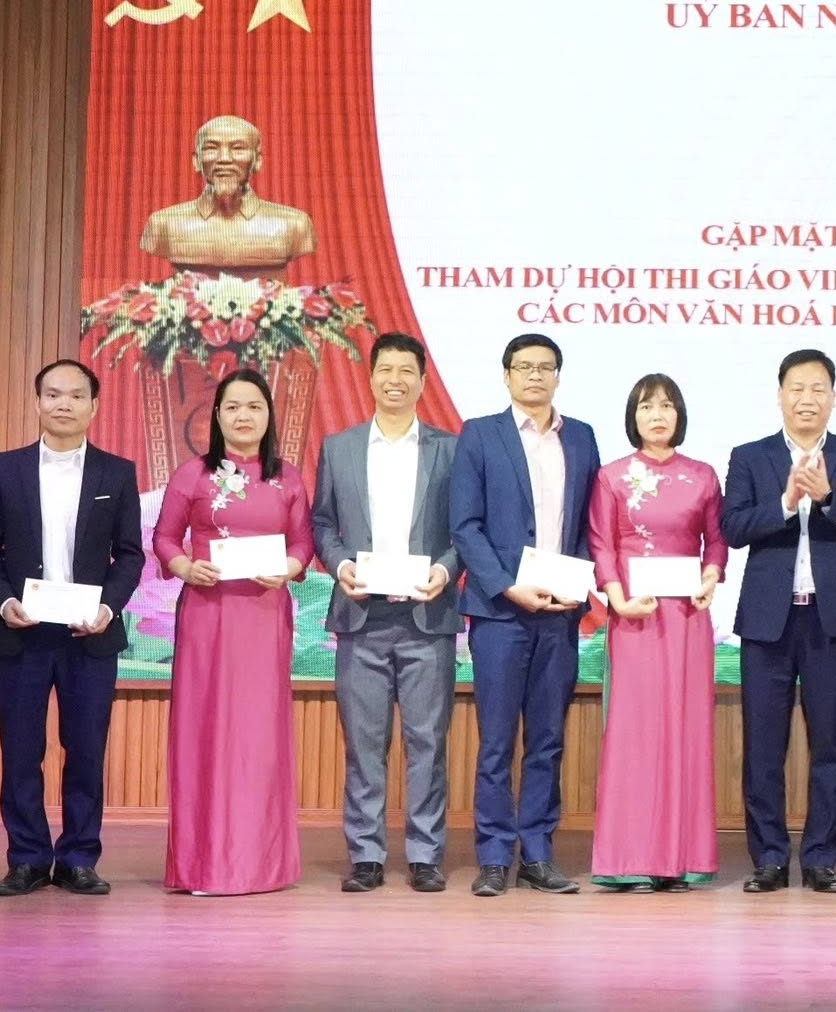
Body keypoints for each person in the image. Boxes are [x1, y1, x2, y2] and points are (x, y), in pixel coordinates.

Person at [0, 359, 145, 896]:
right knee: (21, 751)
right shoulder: (6, 468)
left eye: (75, 395)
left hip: (90, 634)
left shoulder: (117, 473)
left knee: (85, 750)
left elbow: (130, 555)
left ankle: (77, 859)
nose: (63, 403)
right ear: (38, 402)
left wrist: (108, 608)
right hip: (22, 632)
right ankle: (26, 858)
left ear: (94, 406)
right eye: (52, 394)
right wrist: (4, 601)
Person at [721, 349, 836, 894]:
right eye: (797, 388)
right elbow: (733, 528)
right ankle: (769, 858)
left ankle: (820, 859)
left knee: (831, 745)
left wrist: (829, 497)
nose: (807, 399)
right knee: (764, 746)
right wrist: (787, 503)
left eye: (818, 388)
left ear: (833, 398)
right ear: (780, 396)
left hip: (830, 620)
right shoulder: (750, 457)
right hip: (768, 621)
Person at [152, 368, 314, 895]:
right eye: (233, 407)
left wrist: (289, 568)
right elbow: (165, 537)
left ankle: (260, 866)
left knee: (259, 738)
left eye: (254, 406)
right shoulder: (192, 476)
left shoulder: (288, 479)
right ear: (217, 416)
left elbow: (303, 543)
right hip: (208, 616)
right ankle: (203, 865)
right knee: (204, 731)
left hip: (264, 618)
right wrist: (184, 566)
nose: (244, 416)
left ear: (269, 416)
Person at [451, 333, 601, 896]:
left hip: (559, 613)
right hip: (499, 613)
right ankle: (494, 856)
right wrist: (507, 586)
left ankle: (538, 852)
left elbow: (589, 522)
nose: (535, 375)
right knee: (495, 741)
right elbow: (465, 525)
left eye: (545, 367)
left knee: (547, 739)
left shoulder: (581, 436)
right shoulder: (480, 434)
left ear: (558, 375)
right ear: (507, 375)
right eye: (524, 367)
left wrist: (577, 585)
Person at [311, 333, 460, 894]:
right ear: (370, 377)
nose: (395, 380)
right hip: (362, 618)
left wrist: (446, 569)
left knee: (428, 744)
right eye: (386, 370)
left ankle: (425, 855)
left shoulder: (451, 450)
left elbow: (465, 528)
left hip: (428, 618)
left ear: (422, 381)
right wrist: (340, 565)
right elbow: (322, 523)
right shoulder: (340, 447)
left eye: (406, 371)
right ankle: (367, 855)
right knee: (364, 745)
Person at [586, 374, 727, 892]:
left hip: (687, 617)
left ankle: (681, 859)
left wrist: (711, 576)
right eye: (647, 407)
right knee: (635, 733)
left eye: (667, 406)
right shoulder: (612, 477)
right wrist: (616, 598)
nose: (657, 415)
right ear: (634, 416)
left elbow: (716, 541)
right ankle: (630, 859)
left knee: (686, 731)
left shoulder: (702, 476)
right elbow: (601, 544)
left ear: (679, 414)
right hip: (635, 616)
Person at [139, 115, 316, 277]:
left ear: (257, 161)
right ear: (196, 161)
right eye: (211, 148)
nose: (224, 158)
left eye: (238, 148)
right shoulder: (163, 223)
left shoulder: (294, 224)